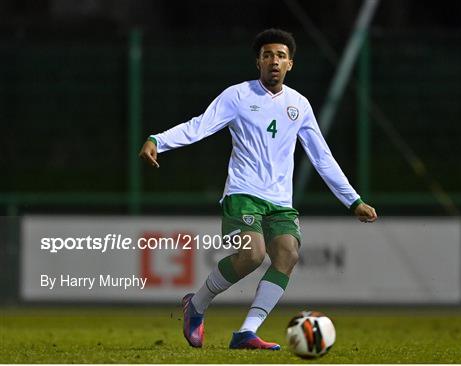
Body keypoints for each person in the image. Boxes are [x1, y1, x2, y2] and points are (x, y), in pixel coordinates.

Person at [139, 28, 377, 351]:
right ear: (258, 62)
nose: (274, 61)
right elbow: (200, 125)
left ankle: (246, 332)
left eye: (280, 56)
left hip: (280, 201)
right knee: (253, 254)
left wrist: (354, 201)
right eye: (268, 56)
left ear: (290, 63)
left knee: (288, 254)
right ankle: (196, 305)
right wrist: (158, 141)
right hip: (243, 193)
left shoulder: (299, 105)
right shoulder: (238, 96)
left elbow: (322, 157)